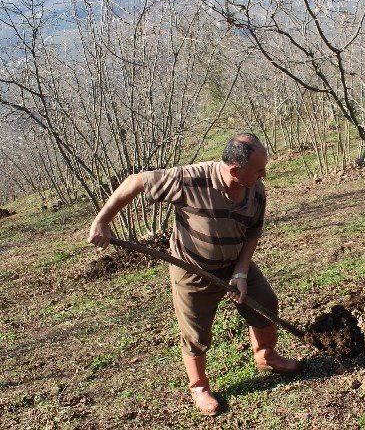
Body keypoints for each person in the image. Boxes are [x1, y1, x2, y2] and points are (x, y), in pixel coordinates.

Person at [88, 133, 301, 416]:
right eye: (259, 169)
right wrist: (102, 220)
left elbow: (254, 231)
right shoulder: (189, 179)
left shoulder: (255, 189)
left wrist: (240, 272)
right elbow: (136, 181)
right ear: (235, 170)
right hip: (193, 269)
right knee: (195, 333)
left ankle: (266, 356)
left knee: (265, 304)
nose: (264, 174)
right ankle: (199, 387)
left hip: (235, 262)